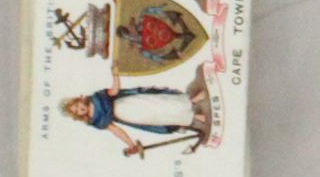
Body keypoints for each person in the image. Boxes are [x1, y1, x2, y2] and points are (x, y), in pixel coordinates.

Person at [61, 63, 212, 156]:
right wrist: (130, 144)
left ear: (79, 100)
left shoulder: (96, 96)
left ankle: (193, 100)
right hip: (131, 116)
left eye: (77, 106)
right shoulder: (96, 121)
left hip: (130, 102)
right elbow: (116, 130)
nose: (80, 109)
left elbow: (114, 91)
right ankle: (194, 117)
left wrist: (115, 75)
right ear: (78, 116)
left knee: (161, 103)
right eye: (77, 111)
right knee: (160, 117)